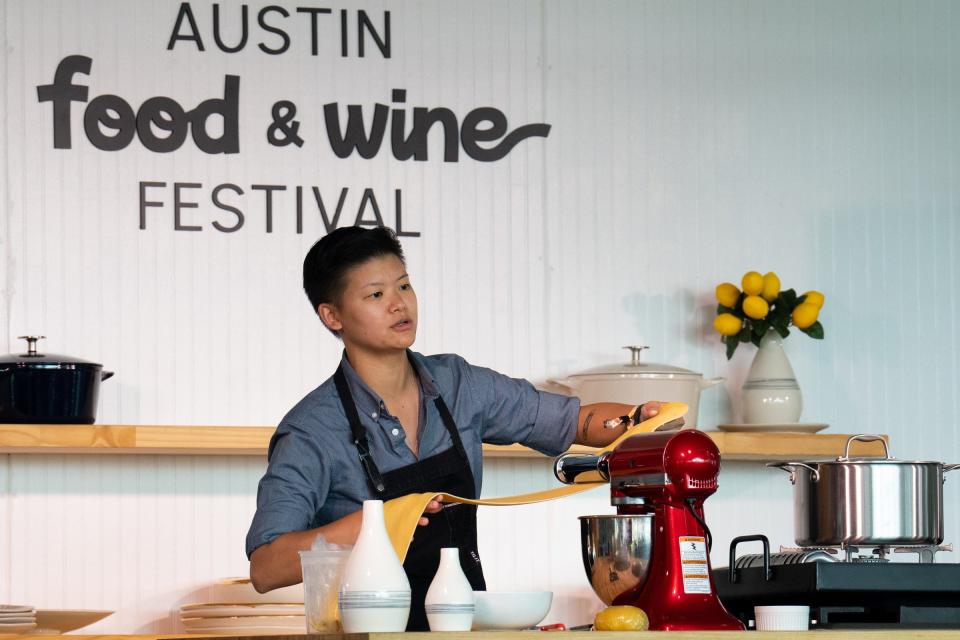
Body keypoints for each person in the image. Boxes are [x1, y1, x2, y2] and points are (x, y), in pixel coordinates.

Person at [246, 226, 675, 631]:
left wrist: (640, 419)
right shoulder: (311, 430)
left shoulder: (458, 384)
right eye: (376, 294)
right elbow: (266, 567)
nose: (399, 303)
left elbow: (574, 420)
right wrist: (377, 521)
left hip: (464, 631)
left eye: (403, 285)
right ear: (332, 316)